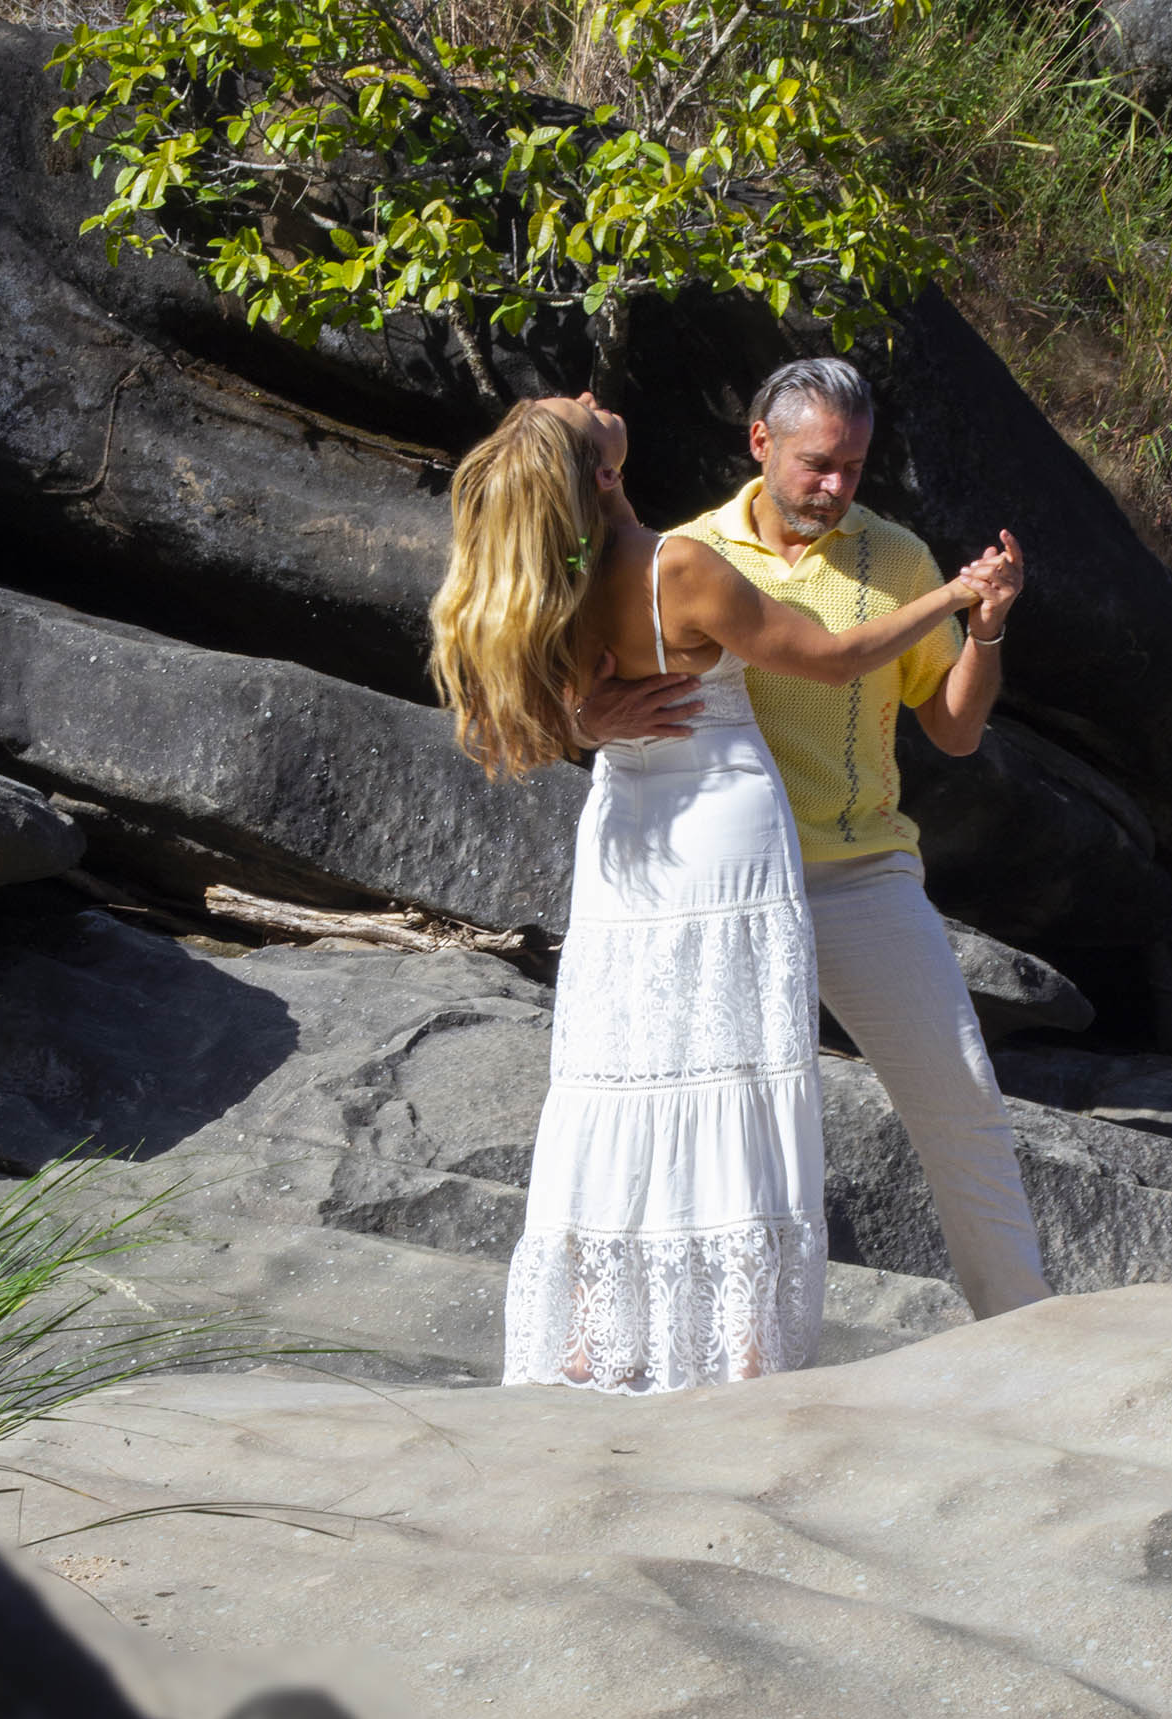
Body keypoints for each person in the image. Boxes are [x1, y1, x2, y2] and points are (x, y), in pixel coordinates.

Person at [429, 392, 986, 1393]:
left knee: (626, 1067)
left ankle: (593, 1344)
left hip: (628, 836)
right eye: (573, 407)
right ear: (600, 470)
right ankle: (740, 1353)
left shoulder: (546, 582)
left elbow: (515, 730)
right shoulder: (676, 565)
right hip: (723, 829)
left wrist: (586, 721)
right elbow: (832, 659)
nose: (587, 394)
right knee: (731, 1070)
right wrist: (951, 601)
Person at [579, 357, 1051, 1322]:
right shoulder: (688, 551)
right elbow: (572, 698)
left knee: (961, 1099)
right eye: (816, 464)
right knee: (719, 1119)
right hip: (713, 890)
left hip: (858, 874)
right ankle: (683, 1337)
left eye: (854, 467)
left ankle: (1022, 1322)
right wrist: (593, 721)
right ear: (761, 443)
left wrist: (989, 632)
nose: (835, 488)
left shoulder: (900, 560)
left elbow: (954, 731)